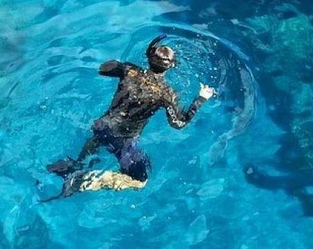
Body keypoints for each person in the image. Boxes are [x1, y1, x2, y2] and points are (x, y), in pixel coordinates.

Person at [44, 34, 215, 200]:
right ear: (170, 66)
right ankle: (81, 182)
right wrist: (201, 98)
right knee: (140, 181)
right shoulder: (167, 93)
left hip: (101, 125)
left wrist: (123, 66)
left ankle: (71, 166)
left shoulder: (129, 70)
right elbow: (178, 123)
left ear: (148, 58)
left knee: (95, 143)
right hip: (123, 139)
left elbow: (103, 69)